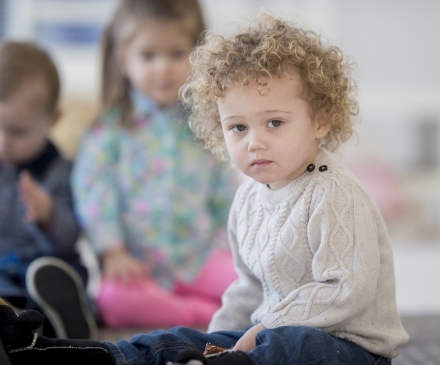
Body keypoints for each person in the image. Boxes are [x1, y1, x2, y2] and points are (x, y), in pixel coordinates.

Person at [0, 13, 410, 365]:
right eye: (238, 127)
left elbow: (344, 291)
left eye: (274, 123)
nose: (255, 142)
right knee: (177, 338)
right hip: (266, 335)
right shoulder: (249, 197)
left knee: (291, 345)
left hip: (348, 347)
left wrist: (264, 328)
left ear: (320, 119)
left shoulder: (333, 193)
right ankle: (63, 352)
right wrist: (216, 339)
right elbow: (248, 287)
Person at [71, 0, 238, 329]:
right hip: (137, 265)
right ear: (123, 60)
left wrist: (227, 243)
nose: (162, 67)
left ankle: (219, 309)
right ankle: (203, 316)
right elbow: (93, 194)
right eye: (148, 56)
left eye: (176, 54)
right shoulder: (109, 131)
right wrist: (112, 251)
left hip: (200, 257)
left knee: (254, 284)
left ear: (197, 56)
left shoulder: (206, 126)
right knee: (112, 299)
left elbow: (227, 194)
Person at [0, 41, 96, 340]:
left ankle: (64, 320)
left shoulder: (62, 171)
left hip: (46, 267)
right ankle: (23, 326)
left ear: (52, 120)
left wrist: (50, 215)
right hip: (3, 274)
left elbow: (69, 241)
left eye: (17, 132)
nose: (3, 142)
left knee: (60, 273)